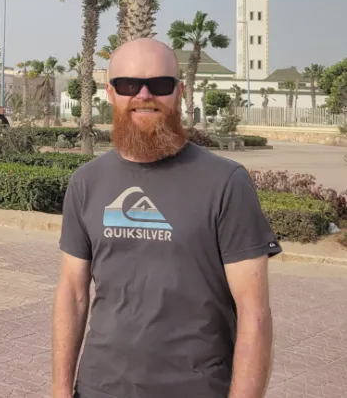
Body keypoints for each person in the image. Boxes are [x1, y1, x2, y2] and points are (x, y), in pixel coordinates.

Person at [52, 38, 279, 398]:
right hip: (99, 388)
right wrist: (61, 390)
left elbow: (254, 314)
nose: (144, 95)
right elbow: (73, 294)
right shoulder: (86, 183)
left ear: (179, 92)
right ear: (110, 94)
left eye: (160, 85)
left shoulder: (225, 183)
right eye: (129, 85)